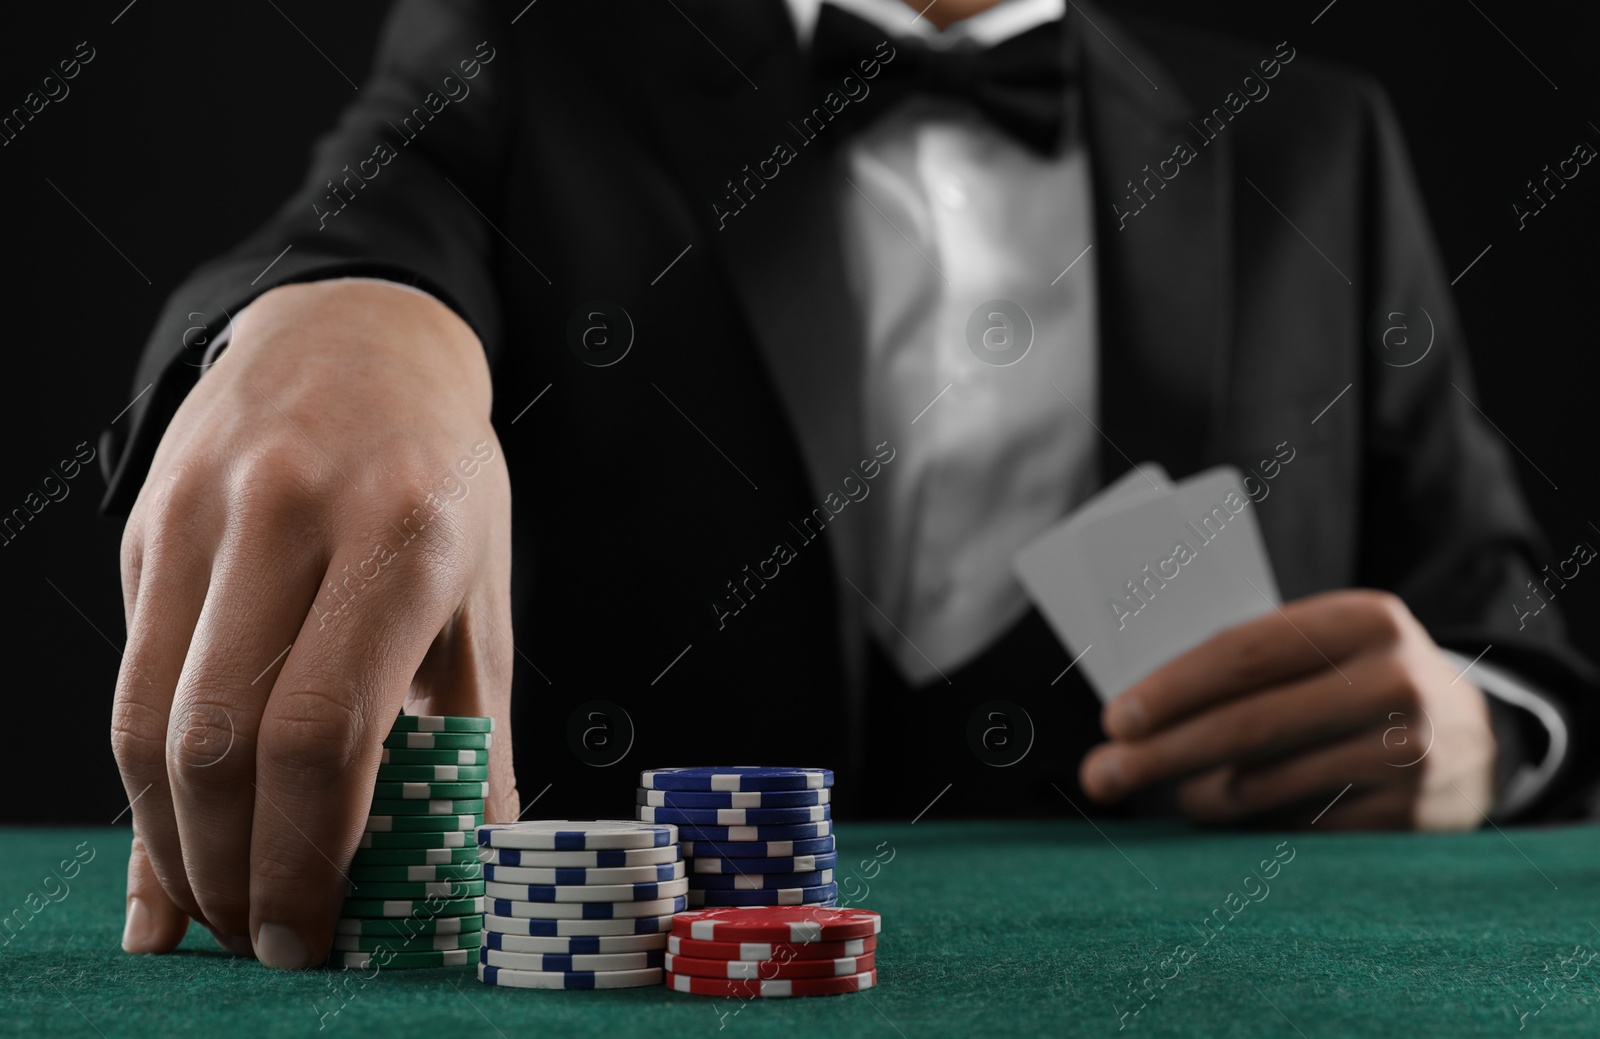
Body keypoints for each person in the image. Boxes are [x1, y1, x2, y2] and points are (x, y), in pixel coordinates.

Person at [101, 0, 1597, 969]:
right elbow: (364, 217)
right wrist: (345, 315)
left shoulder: (1312, 135)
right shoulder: (531, 45)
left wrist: (1488, 732)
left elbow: (1501, 617)